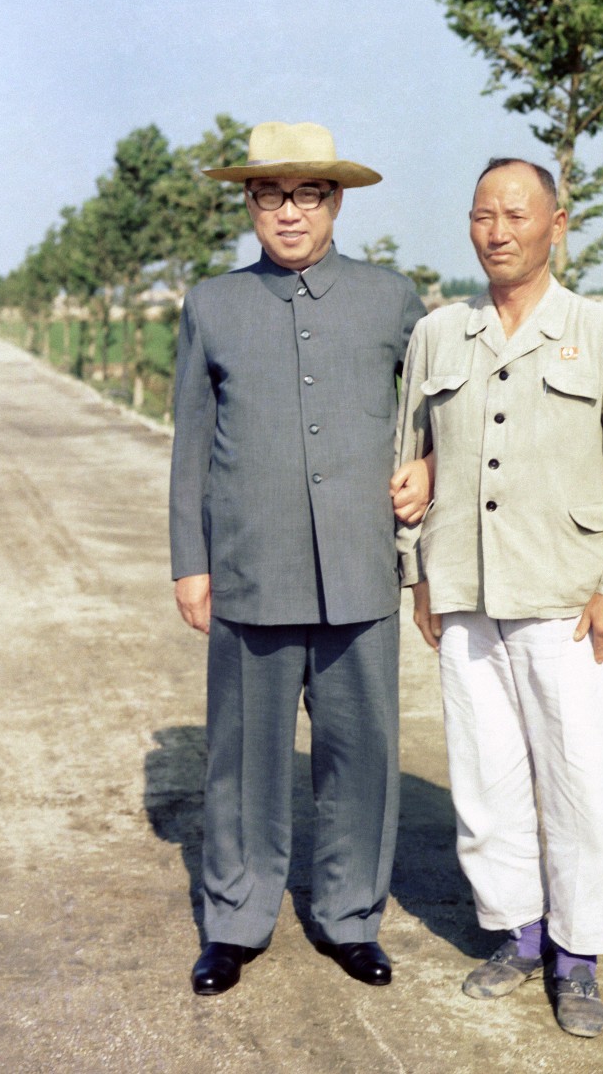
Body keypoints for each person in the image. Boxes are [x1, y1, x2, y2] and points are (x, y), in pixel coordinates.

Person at [392, 158, 603, 1037]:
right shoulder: (439, 336)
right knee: (486, 780)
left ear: (557, 226)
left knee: (581, 781)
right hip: (466, 592)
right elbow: (409, 460)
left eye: (517, 215)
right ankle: (517, 935)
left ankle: (577, 958)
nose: (498, 231)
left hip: (570, 599)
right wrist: (418, 572)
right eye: (484, 214)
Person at [170, 121, 425, 995]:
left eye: (307, 193)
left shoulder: (391, 298)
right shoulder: (213, 304)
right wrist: (190, 560)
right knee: (243, 759)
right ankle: (235, 919)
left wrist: (429, 467)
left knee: (361, 754)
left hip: (360, 568)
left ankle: (351, 918)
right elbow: (192, 443)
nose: (289, 212)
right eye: (269, 194)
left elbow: (438, 409)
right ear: (249, 204)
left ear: (336, 201)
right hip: (252, 567)